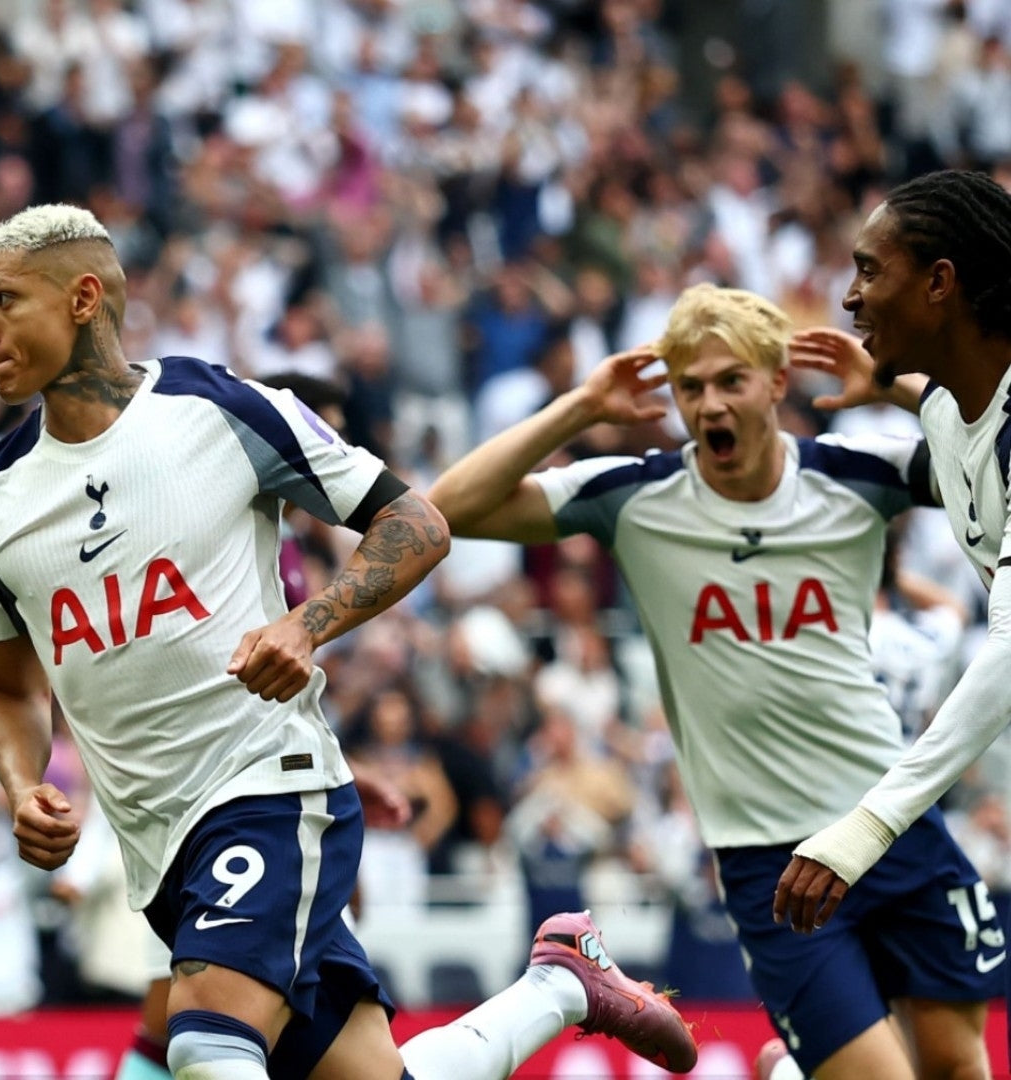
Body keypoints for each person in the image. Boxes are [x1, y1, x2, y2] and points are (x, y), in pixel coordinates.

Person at [0, 203, 697, 1080]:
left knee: (203, 1045)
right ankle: (561, 985)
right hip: (158, 854)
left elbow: (414, 521)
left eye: (1, 301)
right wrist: (22, 782)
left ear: (81, 299)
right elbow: (4, 687)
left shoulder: (219, 410)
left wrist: (310, 623)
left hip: (266, 788)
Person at [427, 281, 1003, 1079]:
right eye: (690, 387)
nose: (709, 405)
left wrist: (897, 387)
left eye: (731, 381)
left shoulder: (858, 473)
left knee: (958, 1067)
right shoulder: (634, 495)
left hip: (889, 824)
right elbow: (443, 510)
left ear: (776, 382)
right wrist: (580, 407)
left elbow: (988, 457)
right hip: (769, 860)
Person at [773, 171, 1011, 954]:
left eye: (870, 269)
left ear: (940, 281)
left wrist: (868, 824)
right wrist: (892, 388)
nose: (848, 297)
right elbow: (965, 417)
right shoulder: (947, 412)